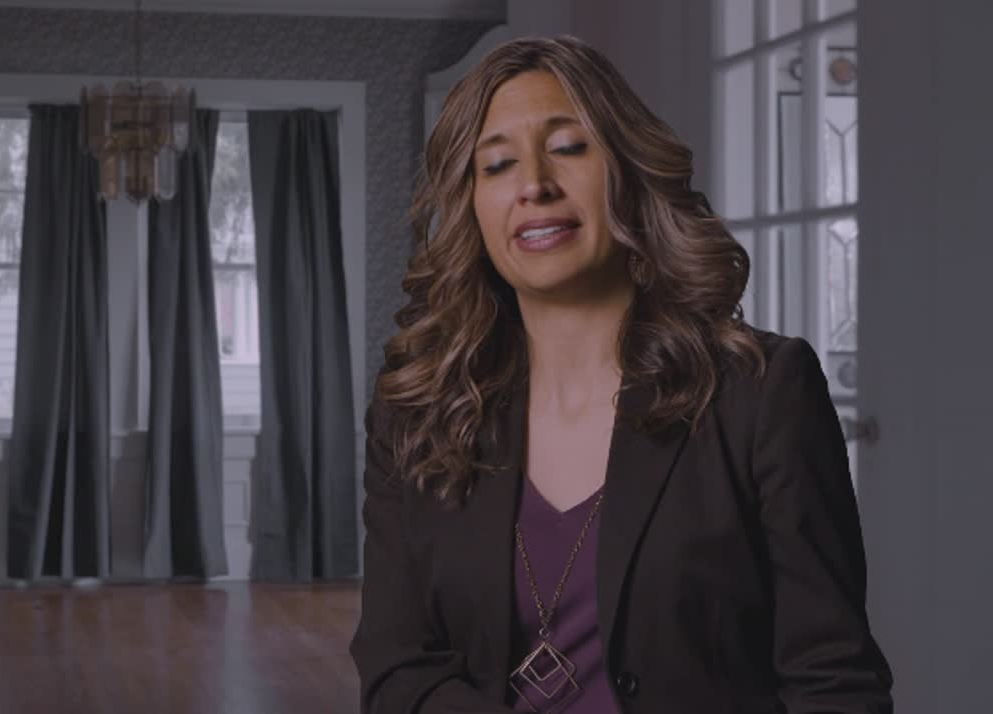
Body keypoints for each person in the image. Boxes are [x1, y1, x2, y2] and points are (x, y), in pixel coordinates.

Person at [348, 35, 892, 714]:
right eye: (497, 164)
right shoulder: (415, 412)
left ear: (630, 171)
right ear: (471, 206)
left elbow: (833, 683)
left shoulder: (762, 393)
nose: (534, 184)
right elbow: (397, 672)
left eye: (570, 147)